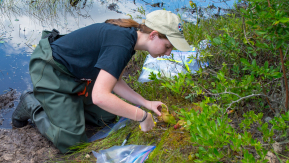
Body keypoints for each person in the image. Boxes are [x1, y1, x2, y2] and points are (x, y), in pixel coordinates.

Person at [11, 10, 192, 153]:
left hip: (76, 76)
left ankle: (68, 105)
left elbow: (117, 82)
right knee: (72, 142)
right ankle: (32, 104)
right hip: (51, 70)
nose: (168, 53)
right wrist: (142, 116)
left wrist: (146, 103)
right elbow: (100, 97)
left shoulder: (130, 39)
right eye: (168, 46)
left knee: (106, 117)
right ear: (153, 35)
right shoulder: (121, 43)